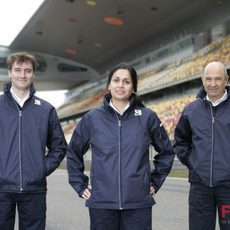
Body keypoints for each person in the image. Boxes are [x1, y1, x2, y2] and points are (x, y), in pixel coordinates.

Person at [67, 63, 175, 230]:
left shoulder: (148, 118)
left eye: (126, 81)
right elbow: (73, 152)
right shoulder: (92, 119)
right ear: (109, 85)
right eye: (116, 80)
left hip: (138, 204)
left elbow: (167, 152)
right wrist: (79, 184)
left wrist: (154, 181)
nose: (120, 85)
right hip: (102, 204)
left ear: (133, 87)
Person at [0, 51, 67, 230]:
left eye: (27, 70)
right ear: (10, 72)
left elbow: (59, 146)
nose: (23, 75)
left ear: (33, 74)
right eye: (18, 70)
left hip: (34, 189)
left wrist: (41, 169)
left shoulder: (46, 110)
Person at [174, 61, 230, 230]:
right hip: (200, 188)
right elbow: (181, 142)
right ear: (202, 80)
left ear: (226, 80)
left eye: (218, 79)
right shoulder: (191, 110)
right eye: (208, 79)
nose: (212, 84)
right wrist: (194, 164)